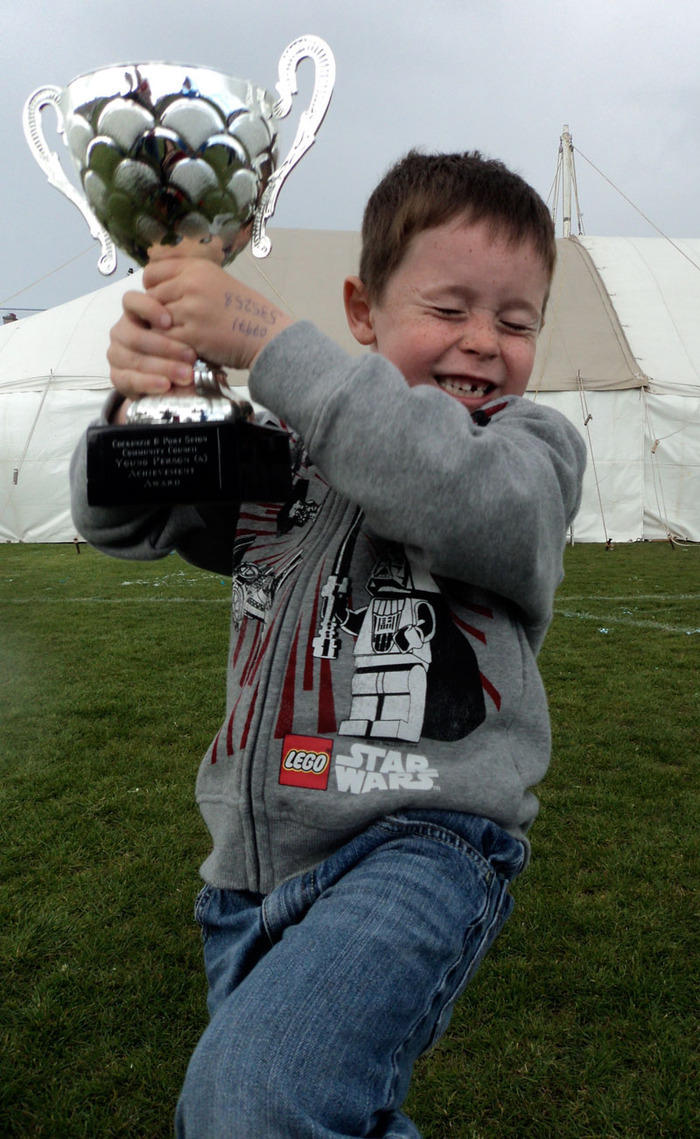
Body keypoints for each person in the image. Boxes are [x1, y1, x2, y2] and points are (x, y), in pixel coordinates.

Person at [70, 150, 587, 1138]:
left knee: (258, 1103)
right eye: (449, 308)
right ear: (364, 312)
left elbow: (457, 492)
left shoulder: (529, 450)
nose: (484, 341)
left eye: (516, 321)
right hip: (247, 876)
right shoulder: (288, 451)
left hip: (423, 844)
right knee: (264, 1116)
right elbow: (124, 524)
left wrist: (273, 342)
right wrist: (147, 399)